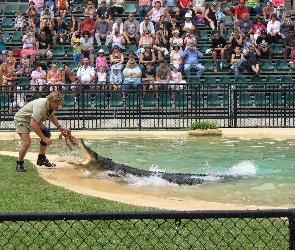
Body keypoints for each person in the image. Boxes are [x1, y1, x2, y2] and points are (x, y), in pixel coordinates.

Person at [14, 92, 71, 172]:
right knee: (27, 143)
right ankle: (19, 163)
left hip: (32, 119)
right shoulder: (41, 106)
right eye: (57, 104)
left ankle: (41, 158)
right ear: (51, 101)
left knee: (46, 133)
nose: (58, 106)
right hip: (22, 120)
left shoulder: (50, 106)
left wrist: (60, 128)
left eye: (59, 104)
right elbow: (33, 123)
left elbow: (51, 116)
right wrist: (44, 138)